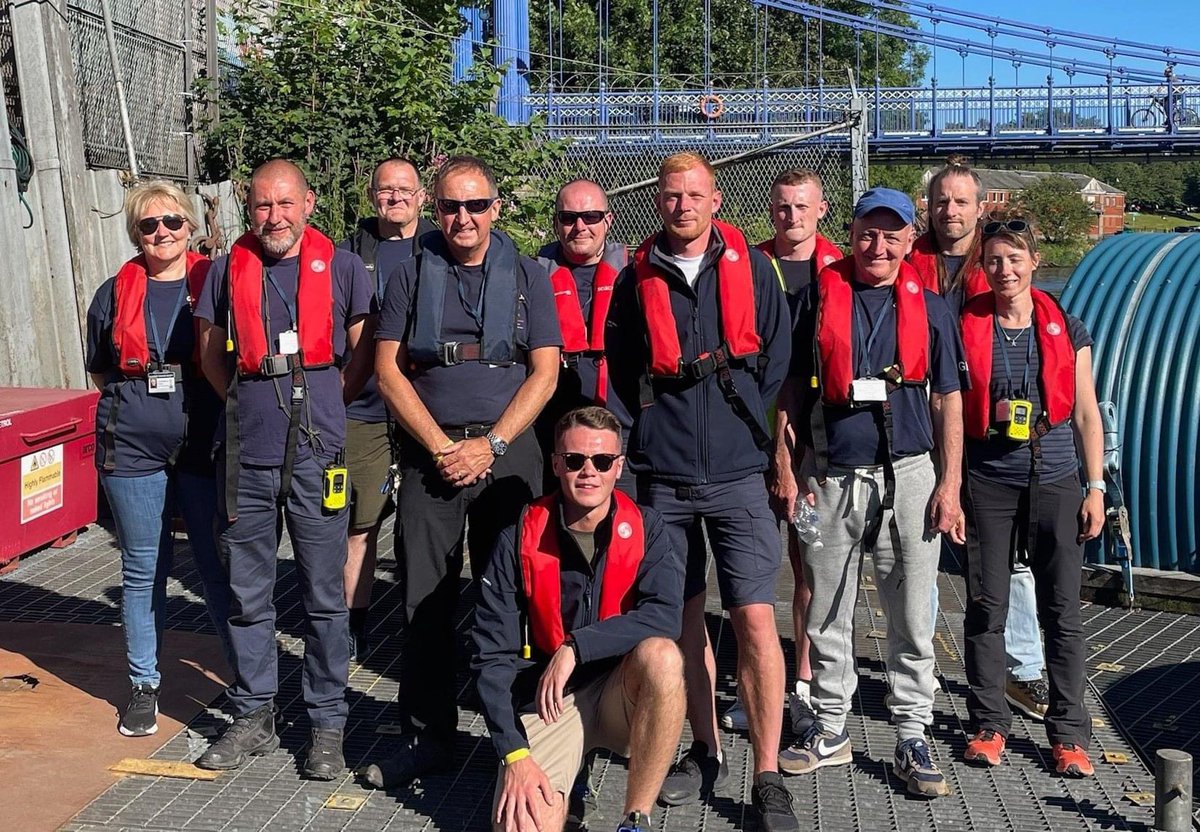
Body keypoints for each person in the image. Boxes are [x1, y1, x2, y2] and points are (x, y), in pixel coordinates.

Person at [607, 152, 796, 831]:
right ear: (657, 202)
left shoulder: (751, 270)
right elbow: (624, 371)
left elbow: (777, 354)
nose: (682, 206)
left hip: (740, 475)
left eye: (693, 195)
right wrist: (647, 437)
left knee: (753, 621)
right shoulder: (636, 280)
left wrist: (759, 432)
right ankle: (706, 748)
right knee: (680, 622)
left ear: (715, 199)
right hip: (664, 478)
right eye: (670, 196)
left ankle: (769, 773)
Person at [363, 155, 562, 788]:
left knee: (518, 595)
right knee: (424, 598)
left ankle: (530, 739)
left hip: (508, 458)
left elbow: (546, 372)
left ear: (496, 208)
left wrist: (494, 445)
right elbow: (388, 370)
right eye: (451, 206)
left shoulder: (529, 276)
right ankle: (428, 735)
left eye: (476, 205)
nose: (463, 218)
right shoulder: (411, 275)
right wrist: (441, 445)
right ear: (434, 207)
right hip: (431, 459)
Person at [777, 188, 964, 798]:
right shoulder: (813, 300)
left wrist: (951, 485)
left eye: (892, 235)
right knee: (827, 608)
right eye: (867, 233)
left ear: (911, 240)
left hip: (910, 475)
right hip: (831, 474)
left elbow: (947, 401)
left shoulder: (933, 310)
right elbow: (791, 396)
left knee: (913, 612)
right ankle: (830, 726)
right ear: (851, 233)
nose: (877, 247)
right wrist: (786, 467)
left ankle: (912, 730)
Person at [194, 159, 375, 779]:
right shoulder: (226, 269)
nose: (274, 217)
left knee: (324, 595)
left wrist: (324, 405)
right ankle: (253, 714)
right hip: (247, 457)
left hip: (318, 453)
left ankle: (327, 723)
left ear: (310, 203)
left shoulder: (345, 268)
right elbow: (209, 356)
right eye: (262, 206)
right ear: (250, 208)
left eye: (285, 204)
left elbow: (362, 355)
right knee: (248, 595)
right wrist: (245, 406)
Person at [472, 406, 685, 832]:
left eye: (602, 461)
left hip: (619, 691)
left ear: (618, 467)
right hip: (549, 702)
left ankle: (635, 819)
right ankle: (567, 777)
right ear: (555, 464)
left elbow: (665, 616)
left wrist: (577, 646)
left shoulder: (648, 527)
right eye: (575, 461)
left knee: (663, 657)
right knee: (524, 828)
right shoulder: (517, 536)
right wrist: (513, 754)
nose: (589, 471)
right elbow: (489, 656)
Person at [85, 179, 232, 737]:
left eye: (172, 221)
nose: (162, 232)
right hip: (134, 446)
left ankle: (247, 683)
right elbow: (101, 370)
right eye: (149, 225)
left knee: (216, 564)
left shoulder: (212, 283)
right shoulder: (113, 292)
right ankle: (145, 686)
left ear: (190, 226)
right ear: (136, 234)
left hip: (202, 443)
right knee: (144, 567)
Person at [958, 219, 1103, 777]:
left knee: (1062, 611)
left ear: (1034, 261)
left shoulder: (1066, 325)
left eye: (1014, 259)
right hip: (989, 479)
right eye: (994, 261)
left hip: (1058, 477)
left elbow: (1087, 411)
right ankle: (989, 723)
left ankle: (1068, 733)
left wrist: (1095, 486)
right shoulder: (965, 322)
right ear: (983, 267)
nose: (1005, 270)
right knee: (986, 606)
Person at [912, 157, 1051, 723]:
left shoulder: (996, 264)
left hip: (986, 433)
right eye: (941, 201)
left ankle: (1022, 670)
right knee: (919, 553)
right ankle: (916, 668)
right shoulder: (908, 258)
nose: (950, 210)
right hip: (922, 424)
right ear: (930, 207)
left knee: (1006, 558)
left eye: (961, 201)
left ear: (979, 205)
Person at [723, 169, 842, 735]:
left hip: (819, 445)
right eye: (782, 206)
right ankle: (755, 683)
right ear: (770, 209)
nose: (791, 216)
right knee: (754, 570)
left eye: (802, 207)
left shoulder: (844, 268)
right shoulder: (746, 265)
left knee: (810, 562)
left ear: (821, 211)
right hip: (752, 438)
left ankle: (803, 682)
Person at [339, 157, 436, 662]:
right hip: (367, 409)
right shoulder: (348, 254)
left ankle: (422, 624)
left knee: (424, 524)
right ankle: (353, 624)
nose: (394, 198)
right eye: (384, 190)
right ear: (372, 195)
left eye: (405, 190)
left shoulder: (444, 248)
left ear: (422, 196)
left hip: (428, 410)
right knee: (362, 523)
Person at [535, 179, 634, 495]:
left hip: (623, 429)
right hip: (555, 431)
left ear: (608, 220)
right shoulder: (532, 278)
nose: (580, 226)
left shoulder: (634, 276)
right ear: (555, 222)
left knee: (625, 526)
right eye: (568, 217)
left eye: (590, 216)